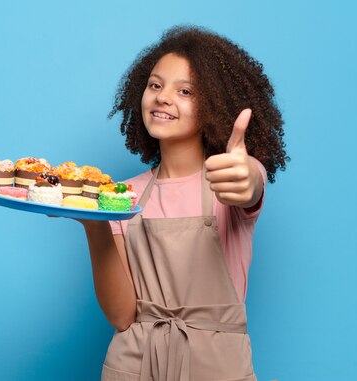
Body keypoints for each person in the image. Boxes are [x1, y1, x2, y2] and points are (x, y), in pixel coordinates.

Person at [78, 25, 288, 381]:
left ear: (214, 105)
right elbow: (122, 315)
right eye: (155, 85)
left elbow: (249, 184)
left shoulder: (229, 181)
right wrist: (92, 220)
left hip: (218, 367)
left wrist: (247, 174)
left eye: (185, 90)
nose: (162, 97)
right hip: (135, 364)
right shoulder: (119, 196)